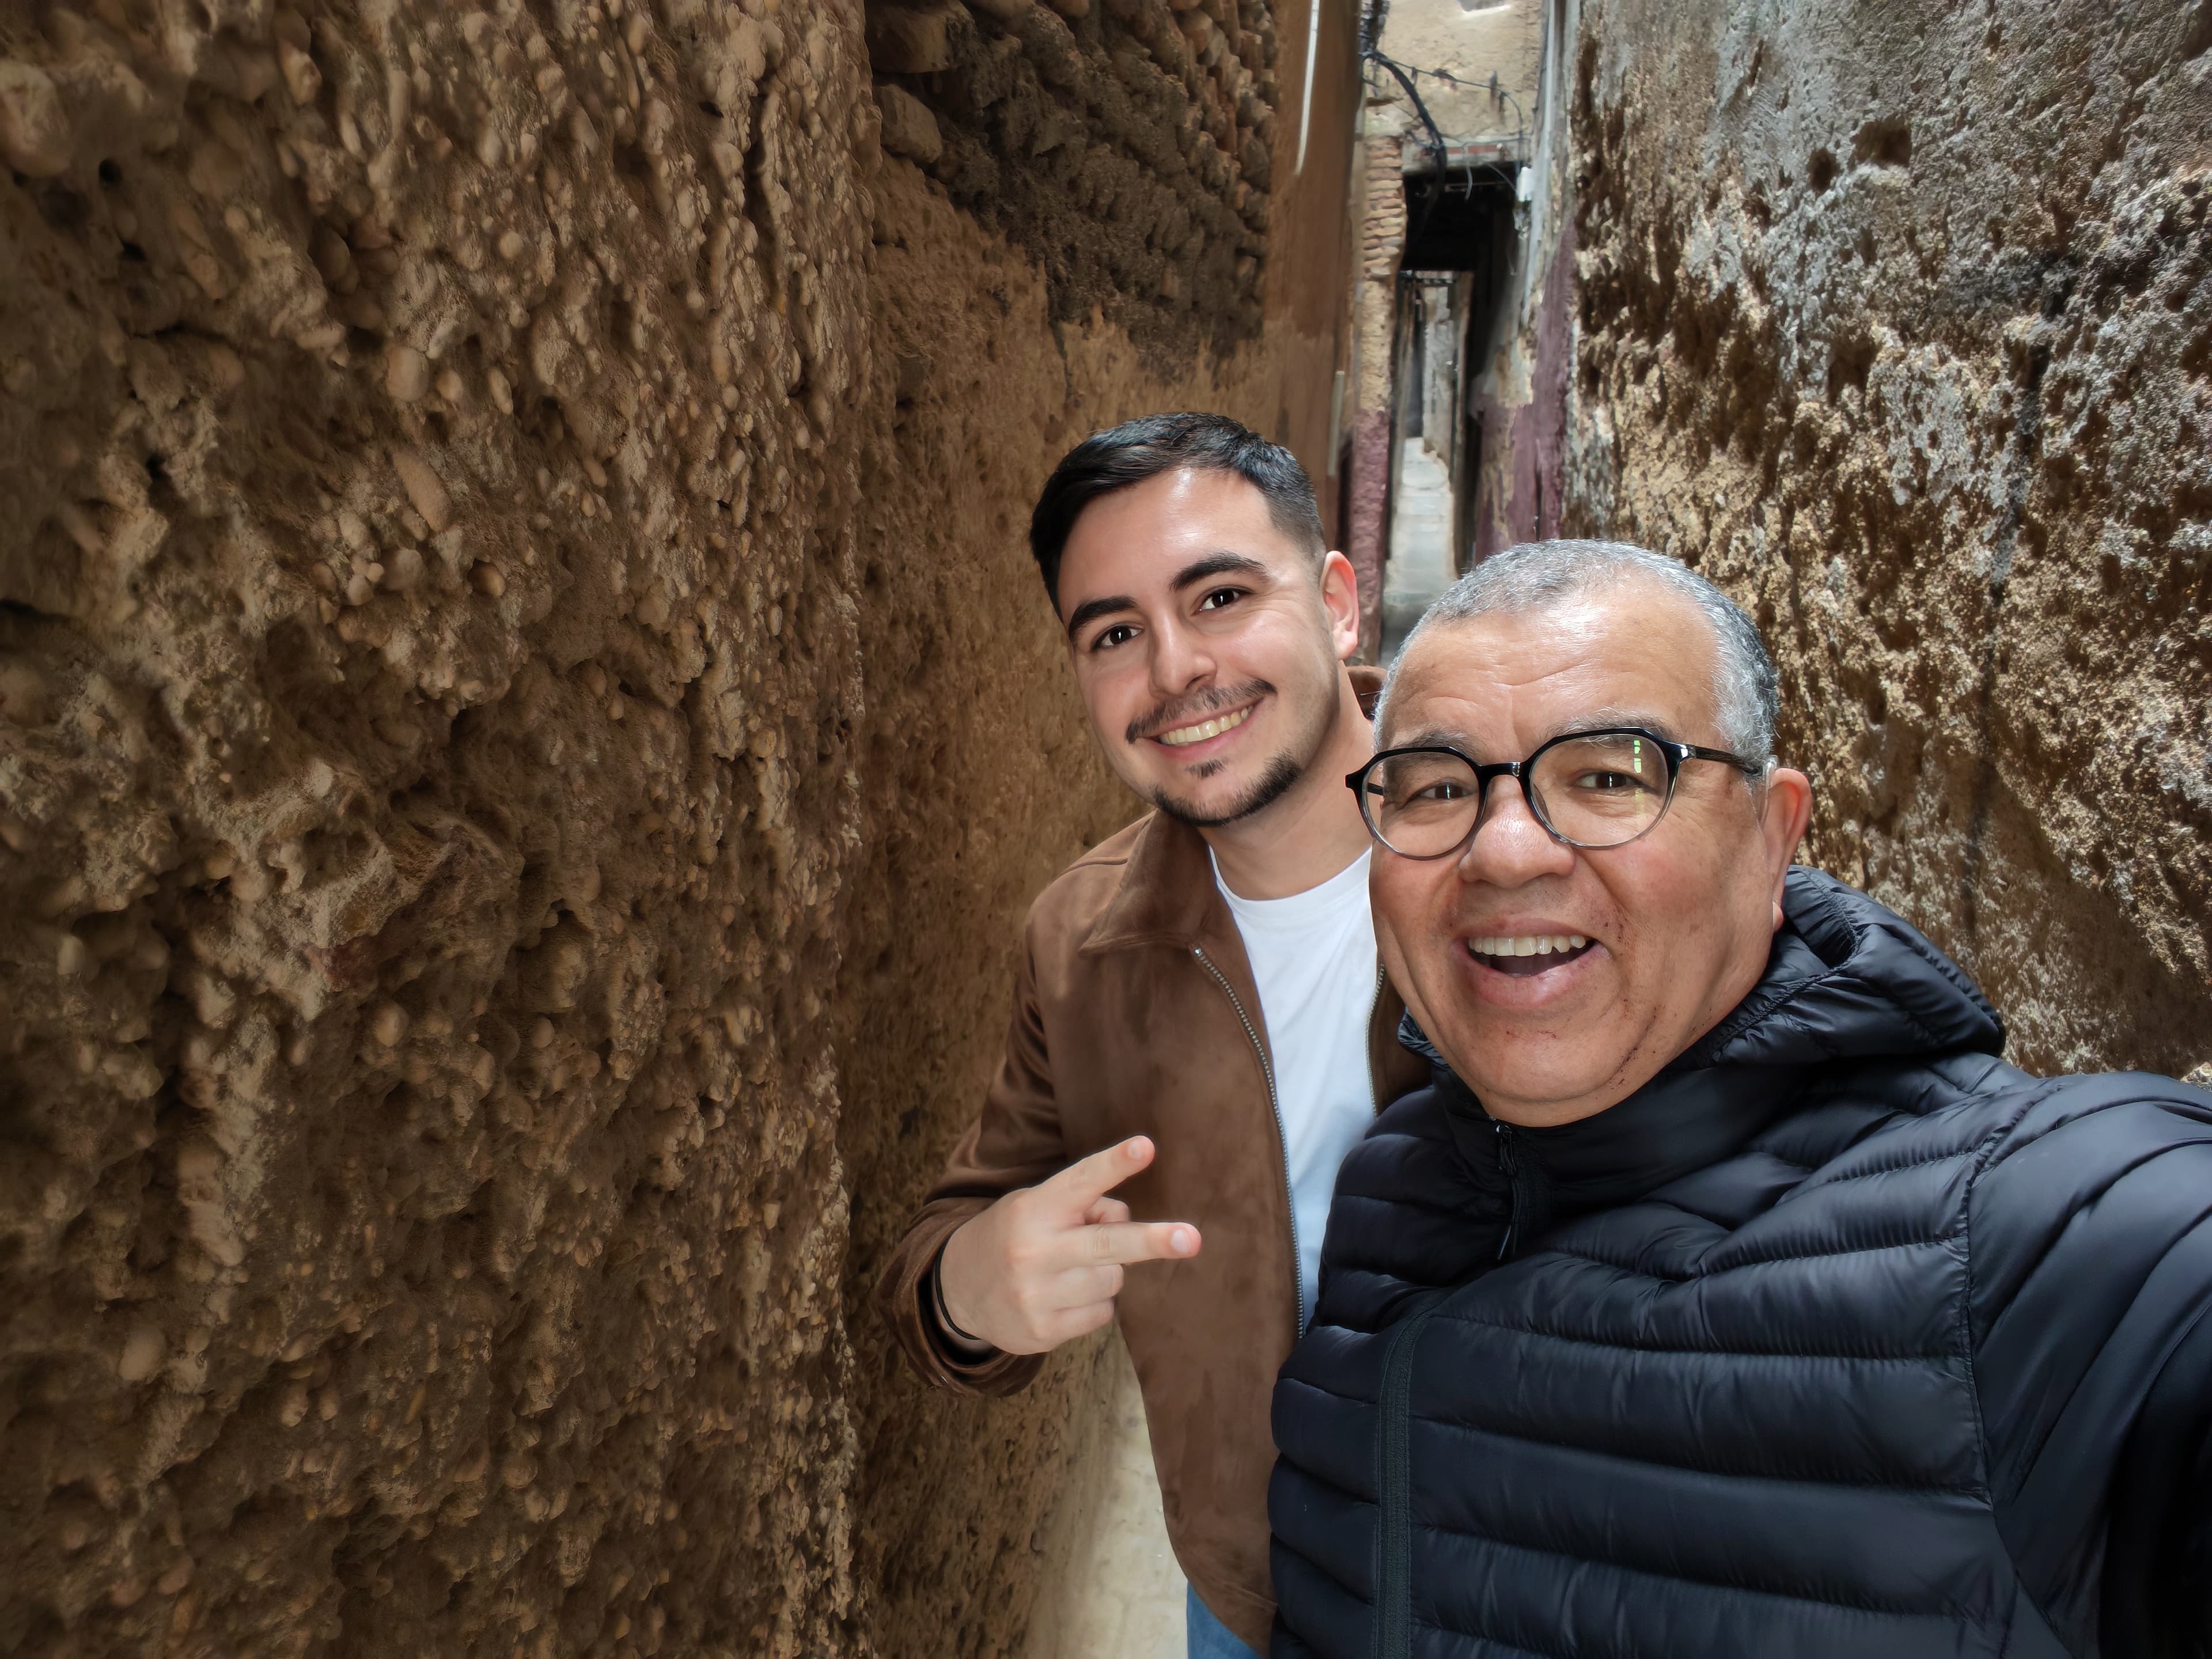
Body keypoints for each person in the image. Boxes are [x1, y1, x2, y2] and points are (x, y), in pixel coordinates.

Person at [1268, 539, 2212, 1658]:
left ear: (1773, 839)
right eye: (1433, 789)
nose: (1506, 850)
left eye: (1610, 776)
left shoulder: (2059, 1246)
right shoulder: (1396, 1187)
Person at [877, 414, 1428, 1657]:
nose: (1176, 669)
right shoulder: (1083, 948)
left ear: (1338, 603)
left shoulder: (1513, 849)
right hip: (1252, 1590)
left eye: (1220, 596)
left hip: (1531, 1577)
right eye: (1116, 634)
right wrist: (975, 1290)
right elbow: (937, 1261)